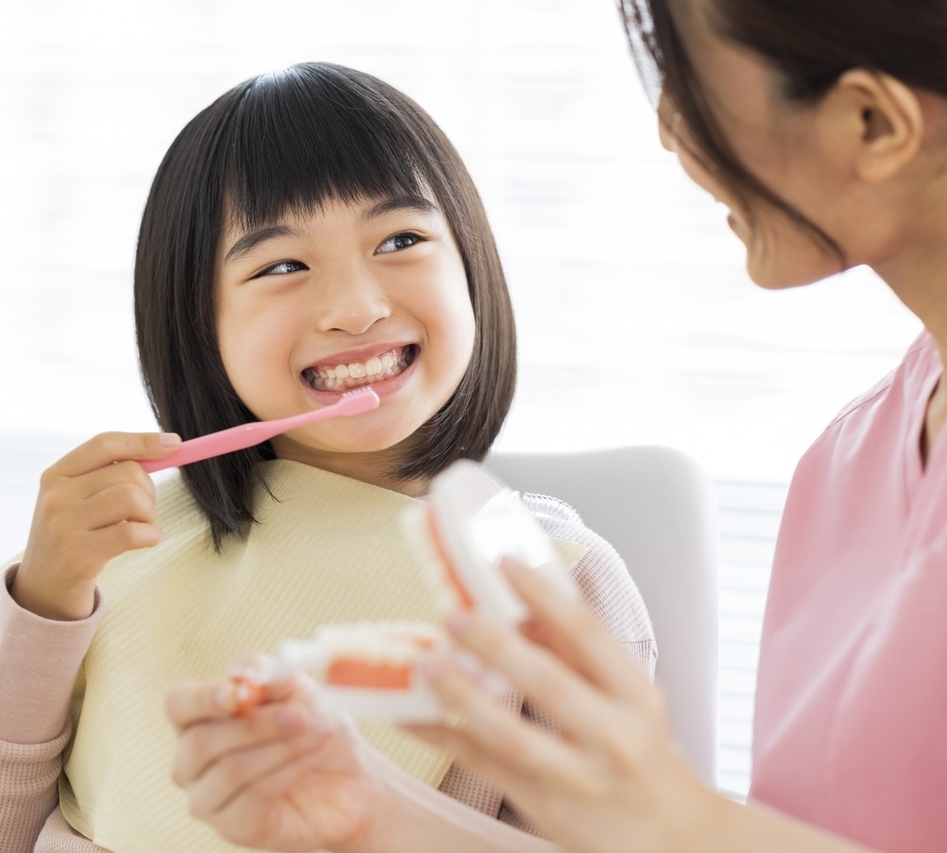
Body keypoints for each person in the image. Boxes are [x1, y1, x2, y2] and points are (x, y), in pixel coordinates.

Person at [172, 2, 947, 851]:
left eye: (679, 74)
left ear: (874, 124)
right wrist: (377, 811)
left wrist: (671, 817)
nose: (666, 127)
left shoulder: (585, 568)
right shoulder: (846, 464)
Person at [0, 62, 655, 853]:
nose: (357, 308)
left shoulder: (555, 584)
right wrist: (43, 605)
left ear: (470, 262)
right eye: (281, 266)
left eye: (401, 239)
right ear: (199, 324)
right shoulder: (118, 549)